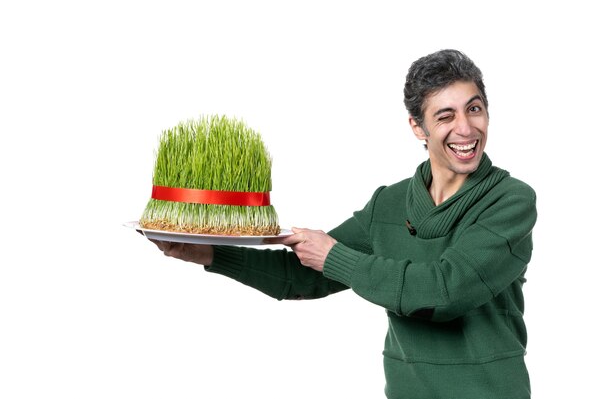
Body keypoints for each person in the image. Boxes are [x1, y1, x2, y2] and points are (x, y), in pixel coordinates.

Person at [150, 49, 537, 399]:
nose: (466, 129)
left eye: (474, 109)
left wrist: (334, 256)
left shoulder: (510, 200)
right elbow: (302, 277)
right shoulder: (389, 202)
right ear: (418, 128)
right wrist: (207, 253)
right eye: (445, 116)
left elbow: (445, 291)